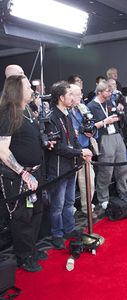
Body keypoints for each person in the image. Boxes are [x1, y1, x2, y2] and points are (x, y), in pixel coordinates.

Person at [0, 75, 46, 272]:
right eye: (28, 87)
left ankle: (32, 249)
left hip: (35, 173)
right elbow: (2, 150)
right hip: (19, 177)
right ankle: (24, 256)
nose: (32, 90)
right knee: (21, 218)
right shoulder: (8, 114)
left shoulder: (25, 111)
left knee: (36, 213)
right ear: (17, 90)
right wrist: (22, 173)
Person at [46, 81, 92, 249]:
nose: (73, 98)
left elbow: (73, 139)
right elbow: (57, 147)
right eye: (70, 95)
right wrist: (80, 153)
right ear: (61, 97)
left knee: (69, 202)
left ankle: (69, 228)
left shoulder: (66, 114)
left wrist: (83, 149)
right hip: (58, 169)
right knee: (57, 205)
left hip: (71, 166)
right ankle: (57, 234)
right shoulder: (51, 117)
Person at [87, 80, 127, 208]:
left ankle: (123, 191)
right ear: (99, 92)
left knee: (122, 167)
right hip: (104, 137)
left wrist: (119, 115)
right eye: (107, 91)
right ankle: (103, 198)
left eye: (110, 91)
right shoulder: (91, 106)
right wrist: (105, 121)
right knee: (106, 170)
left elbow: (116, 116)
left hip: (116, 135)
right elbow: (90, 127)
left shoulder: (110, 102)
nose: (110, 93)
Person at [69, 84, 98, 220]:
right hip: (70, 153)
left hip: (86, 151)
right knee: (69, 187)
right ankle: (70, 212)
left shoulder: (83, 107)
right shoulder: (64, 111)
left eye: (80, 93)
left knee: (89, 182)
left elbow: (92, 124)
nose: (81, 96)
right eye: (78, 94)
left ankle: (87, 207)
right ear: (69, 95)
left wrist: (91, 130)